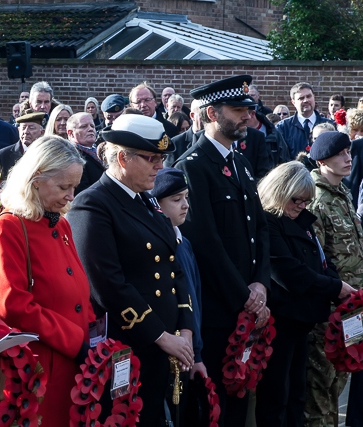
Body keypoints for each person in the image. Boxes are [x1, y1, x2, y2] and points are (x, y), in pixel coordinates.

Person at [67, 114, 194, 425]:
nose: (159, 167)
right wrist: (161, 336)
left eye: (161, 158)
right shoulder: (93, 205)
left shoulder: (145, 202)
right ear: (122, 158)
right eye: (151, 158)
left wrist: (186, 328)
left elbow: (174, 267)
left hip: (167, 343)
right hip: (129, 345)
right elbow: (108, 285)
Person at [174, 75, 270, 427]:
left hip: (247, 302)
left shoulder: (241, 162)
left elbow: (260, 227)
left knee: (238, 399)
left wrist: (261, 284)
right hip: (218, 308)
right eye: (238, 109)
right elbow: (205, 242)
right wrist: (244, 295)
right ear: (212, 113)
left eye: (249, 109)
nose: (247, 116)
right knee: (211, 406)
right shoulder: (192, 166)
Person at [0, 135, 95, 426]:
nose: (71, 196)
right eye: (64, 187)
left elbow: (77, 292)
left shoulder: (59, 223)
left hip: (75, 366)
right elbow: (13, 305)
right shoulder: (8, 226)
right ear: (35, 180)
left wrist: (96, 337)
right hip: (39, 371)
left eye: (74, 186)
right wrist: (76, 341)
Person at [255, 161, 354, 427]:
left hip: (302, 320)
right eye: (297, 200)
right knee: (277, 393)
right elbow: (289, 271)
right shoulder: (269, 222)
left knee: (297, 390)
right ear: (281, 193)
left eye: (306, 201)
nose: (302, 206)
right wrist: (335, 287)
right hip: (281, 319)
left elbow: (321, 259)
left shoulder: (301, 220)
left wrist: (337, 283)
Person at [306, 131, 363, 427]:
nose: (348, 158)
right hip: (329, 311)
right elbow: (318, 259)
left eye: (349, 152)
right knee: (320, 391)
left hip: (352, 311)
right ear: (322, 159)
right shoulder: (317, 199)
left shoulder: (344, 192)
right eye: (340, 154)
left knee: (340, 380)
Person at [149, 167, 207, 423]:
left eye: (185, 197)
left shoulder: (185, 242)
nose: (185, 205)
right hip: (168, 350)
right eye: (176, 200)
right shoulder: (160, 245)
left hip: (188, 350)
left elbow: (194, 300)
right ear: (157, 205)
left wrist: (197, 353)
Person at [276, 82, 332, 158]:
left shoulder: (330, 125)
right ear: (293, 102)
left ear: (314, 97)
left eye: (308, 96)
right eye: (301, 98)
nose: (306, 100)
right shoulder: (283, 127)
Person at [0, 110, 45, 179]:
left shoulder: (47, 154)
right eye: (23, 128)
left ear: (42, 132)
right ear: (18, 130)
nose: (26, 132)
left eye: (31, 128)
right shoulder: (3, 155)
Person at [66, 112, 103, 195]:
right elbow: (81, 190)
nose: (90, 129)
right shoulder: (71, 155)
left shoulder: (100, 151)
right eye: (84, 126)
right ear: (71, 133)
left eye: (92, 126)